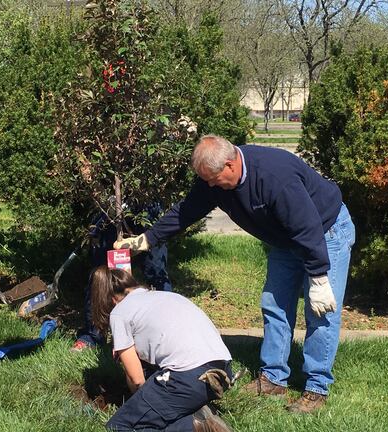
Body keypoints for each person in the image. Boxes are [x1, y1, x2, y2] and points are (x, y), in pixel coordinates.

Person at [115, 134, 356, 413]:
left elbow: (307, 226)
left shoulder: (274, 177)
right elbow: (187, 210)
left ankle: (316, 387)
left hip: (325, 231)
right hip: (285, 239)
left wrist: (318, 277)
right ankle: (274, 379)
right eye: (205, 180)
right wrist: (147, 238)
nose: (209, 186)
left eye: (213, 180)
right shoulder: (214, 179)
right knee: (274, 306)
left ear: (230, 165)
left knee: (321, 312)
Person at [90, 266, 234, 432]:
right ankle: (197, 407)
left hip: (187, 378)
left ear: (111, 300)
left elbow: (137, 381)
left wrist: (140, 403)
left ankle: (197, 425)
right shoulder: (168, 296)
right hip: (222, 372)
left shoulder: (120, 313)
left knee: (118, 428)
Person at [72, 205, 172, 351]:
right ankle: (93, 335)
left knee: (156, 273)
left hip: (145, 208)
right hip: (108, 213)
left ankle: (166, 330)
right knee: (99, 276)